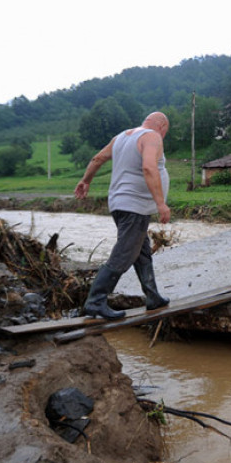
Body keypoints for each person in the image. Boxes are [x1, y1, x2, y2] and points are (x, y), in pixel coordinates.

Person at [74, 112, 172, 319]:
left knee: (141, 252)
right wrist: (161, 203)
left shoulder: (121, 137)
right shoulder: (152, 136)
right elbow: (148, 167)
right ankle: (95, 301)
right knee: (125, 253)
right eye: (166, 132)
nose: (163, 136)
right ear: (162, 126)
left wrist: (86, 180)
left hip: (119, 204)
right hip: (134, 206)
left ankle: (153, 297)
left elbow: (98, 158)